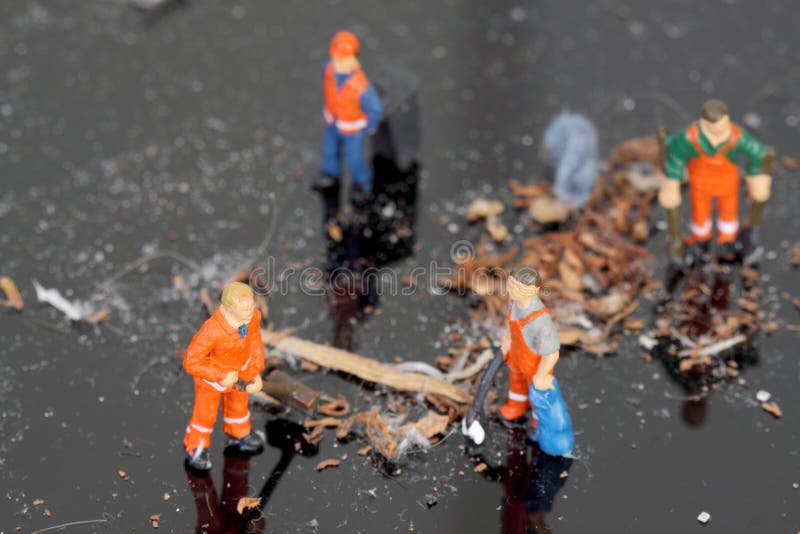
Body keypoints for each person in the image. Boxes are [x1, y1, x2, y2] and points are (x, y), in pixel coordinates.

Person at [659, 99, 775, 264]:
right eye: (713, 127)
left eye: (722, 125)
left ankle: (727, 240)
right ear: (703, 123)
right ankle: (700, 239)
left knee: (728, 213)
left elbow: (758, 152)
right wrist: (672, 180)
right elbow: (674, 155)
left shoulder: (736, 136)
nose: (718, 131)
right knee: (700, 213)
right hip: (700, 184)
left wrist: (757, 175)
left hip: (727, 184)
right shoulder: (691, 137)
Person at [182, 282, 266, 470]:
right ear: (228, 308)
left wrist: (254, 371)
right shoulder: (212, 330)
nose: (250, 310)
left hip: (241, 374)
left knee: (238, 406)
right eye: (244, 308)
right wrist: (219, 375)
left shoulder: (252, 319)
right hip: (211, 381)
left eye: (251, 305)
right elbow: (191, 361)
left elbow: (254, 343)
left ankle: (239, 432)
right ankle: (196, 444)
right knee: (205, 414)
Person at [315, 30, 384, 204]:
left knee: (354, 159)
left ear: (353, 58)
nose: (338, 63)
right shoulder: (328, 70)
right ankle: (330, 175)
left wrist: (369, 126)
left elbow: (376, 108)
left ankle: (362, 184)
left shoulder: (360, 85)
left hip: (352, 128)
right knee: (329, 151)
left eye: (343, 59)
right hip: (332, 122)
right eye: (336, 58)